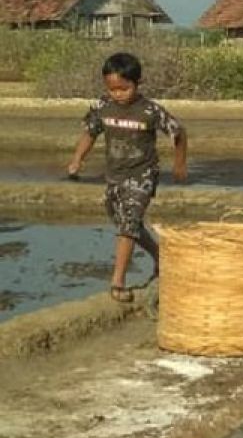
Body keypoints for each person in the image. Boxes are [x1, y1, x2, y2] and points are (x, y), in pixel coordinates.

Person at [67, 52, 187, 302]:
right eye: (112, 89)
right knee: (123, 222)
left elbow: (179, 133)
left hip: (142, 174)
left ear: (137, 83)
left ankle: (118, 281)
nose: (118, 94)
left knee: (128, 224)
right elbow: (90, 133)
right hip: (114, 175)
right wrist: (78, 159)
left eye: (124, 88)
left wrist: (179, 164)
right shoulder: (102, 107)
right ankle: (161, 256)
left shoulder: (150, 110)